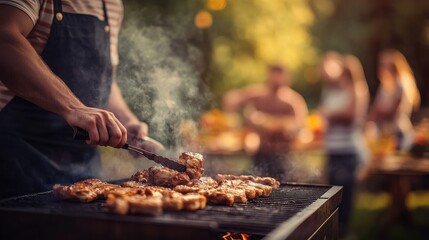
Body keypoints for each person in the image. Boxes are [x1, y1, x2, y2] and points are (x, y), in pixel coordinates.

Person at [0, 0, 157, 198]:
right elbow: (4, 37)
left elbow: (104, 81)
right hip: (17, 160)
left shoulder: (112, 4)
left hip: (86, 174)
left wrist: (126, 121)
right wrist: (73, 108)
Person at [223, 64, 308, 180]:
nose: (276, 79)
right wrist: (233, 123)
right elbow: (231, 99)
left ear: (287, 78)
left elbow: (300, 126)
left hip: (283, 155)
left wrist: (270, 124)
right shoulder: (259, 94)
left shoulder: (293, 101)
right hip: (260, 153)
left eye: (280, 75)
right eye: (274, 75)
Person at [318, 52, 369, 234]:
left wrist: (329, 113)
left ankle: (343, 232)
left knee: (344, 196)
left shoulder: (356, 90)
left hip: (348, 150)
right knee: (331, 194)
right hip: (333, 148)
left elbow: (350, 116)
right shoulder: (331, 91)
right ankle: (334, 231)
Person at [368, 49, 421, 150]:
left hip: (399, 132)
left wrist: (379, 112)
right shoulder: (384, 85)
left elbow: (392, 111)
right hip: (386, 132)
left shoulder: (401, 84)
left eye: (383, 65)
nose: (380, 68)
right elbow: (376, 109)